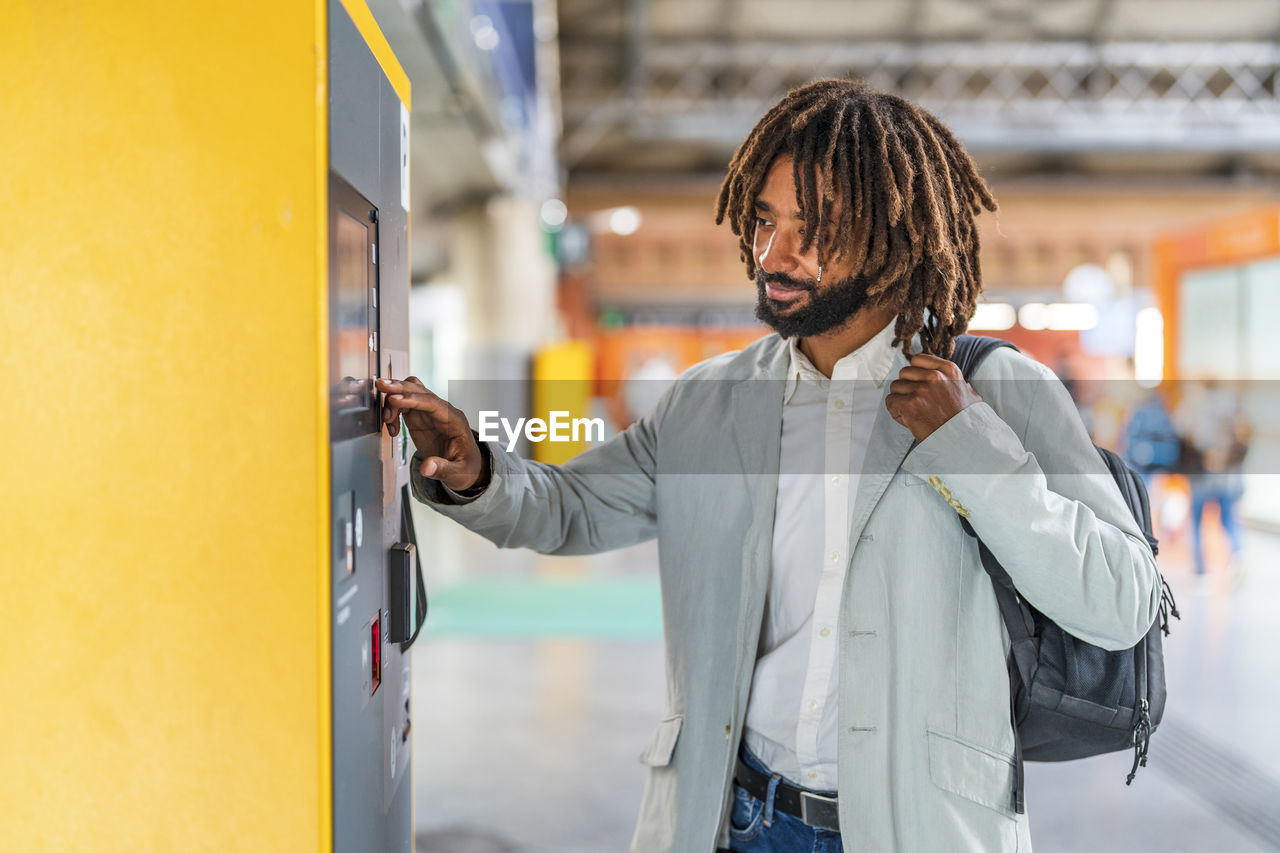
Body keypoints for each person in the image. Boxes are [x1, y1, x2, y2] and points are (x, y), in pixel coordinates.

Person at [376, 79, 1160, 853]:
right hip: (739, 821)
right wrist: (475, 465)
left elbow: (1123, 601)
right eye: (763, 219)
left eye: (812, 227)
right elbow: (569, 506)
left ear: (894, 237)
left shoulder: (999, 394)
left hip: (919, 829)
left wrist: (970, 445)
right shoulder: (708, 406)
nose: (772, 253)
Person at [1175, 379, 1251, 578]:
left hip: (1200, 476)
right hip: (1227, 477)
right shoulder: (1232, 405)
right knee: (1229, 520)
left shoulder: (1193, 405)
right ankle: (1237, 556)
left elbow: (1182, 432)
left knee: (1197, 523)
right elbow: (1244, 436)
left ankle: (1200, 571)